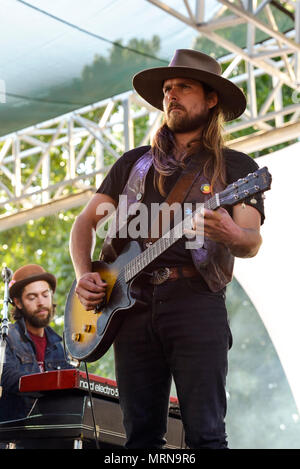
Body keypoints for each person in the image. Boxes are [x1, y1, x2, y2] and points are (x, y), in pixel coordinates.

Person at [69, 49, 265, 449]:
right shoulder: (132, 163)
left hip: (195, 302)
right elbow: (83, 224)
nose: (171, 95)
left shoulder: (237, 168)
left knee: (206, 435)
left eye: (184, 87)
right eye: (167, 88)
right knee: (140, 439)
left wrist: (230, 232)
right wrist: (83, 276)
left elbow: (251, 241)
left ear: (212, 99)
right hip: (130, 307)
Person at [0, 264, 73, 422]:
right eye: (32, 297)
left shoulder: (58, 346)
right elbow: (6, 377)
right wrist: (50, 384)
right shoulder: (7, 337)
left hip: (50, 433)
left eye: (45, 295)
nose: (41, 302)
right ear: (18, 303)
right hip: (14, 436)